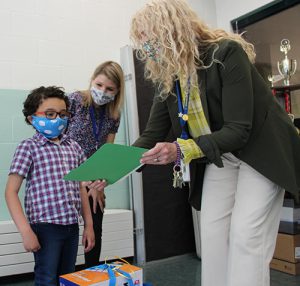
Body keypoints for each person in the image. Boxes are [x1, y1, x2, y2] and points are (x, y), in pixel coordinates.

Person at [129, 1, 300, 286]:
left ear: (171, 31)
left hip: (261, 151)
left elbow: (239, 130)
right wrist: (110, 169)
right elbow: (153, 134)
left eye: (149, 38)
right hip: (221, 156)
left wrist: (180, 149)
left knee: (247, 235)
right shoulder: (170, 76)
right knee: (212, 233)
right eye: (142, 41)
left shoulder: (226, 54)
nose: (146, 48)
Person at [5, 86, 103, 286]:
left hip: (71, 225)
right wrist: (26, 231)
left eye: (62, 114)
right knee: (47, 277)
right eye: (50, 114)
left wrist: (89, 226)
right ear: (32, 118)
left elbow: (80, 187)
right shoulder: (28, 147)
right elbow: (10, 192)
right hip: (45, 227)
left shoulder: (73, 147)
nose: (57, 119)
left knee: (67, 277)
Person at [66, 61, 125, 267]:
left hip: (93, 178)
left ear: (117, 91)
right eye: (99, 85)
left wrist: (100, 183)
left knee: (95, 229)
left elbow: (106, 152)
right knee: (66, 234)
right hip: (67, 174)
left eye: (109, 89)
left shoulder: (114, 114)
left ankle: (91, 274)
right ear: (92, 80)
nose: (102, 91)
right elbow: (58, 140)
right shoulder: (74, 101)